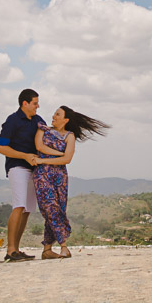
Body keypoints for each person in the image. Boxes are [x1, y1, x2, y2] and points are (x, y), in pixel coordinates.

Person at [33, 105, 109, 259]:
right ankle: (63, 246)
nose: (53, 116)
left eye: (58, 114)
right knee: (50, 206)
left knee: (57, 209)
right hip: (42, 175)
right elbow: (39, 146)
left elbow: (67, 159)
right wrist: (58, 154)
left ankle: (47, 250)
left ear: (65, 119)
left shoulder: (70, 136)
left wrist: (43, 159)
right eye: (54, 113)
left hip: (60, 176)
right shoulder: (43, 129)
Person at [0, 88, 45, 262]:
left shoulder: (38, 120)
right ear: (25, 103)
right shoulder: (12, 120)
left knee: (27, 210)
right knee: (19, 206)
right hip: (17, 167)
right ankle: (10, 251)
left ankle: (16, 249)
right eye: (35, 103)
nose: (38, 106)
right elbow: (0, 147)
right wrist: (24, 156)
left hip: (34, 170)